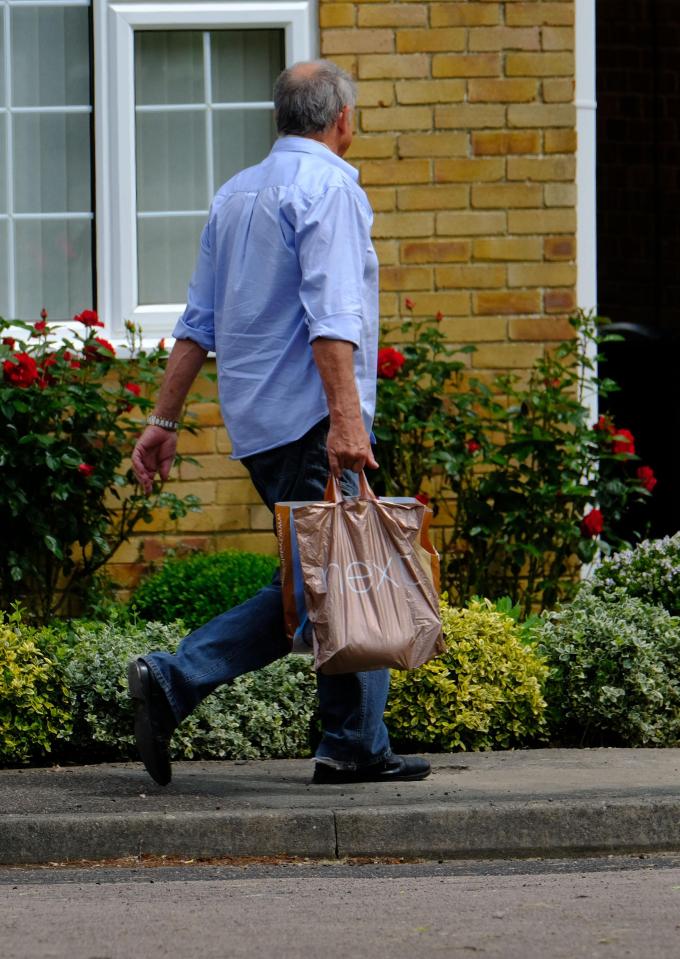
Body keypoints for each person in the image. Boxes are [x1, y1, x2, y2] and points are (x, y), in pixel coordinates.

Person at [127, 59, 430, 787]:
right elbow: (333, 320)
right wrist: (347, 425)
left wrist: (163, 419)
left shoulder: (236, 195)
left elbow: (196, 323)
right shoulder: (329, 188)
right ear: (343, 121)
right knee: (343, 569)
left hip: (259, 424)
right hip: (313, 421)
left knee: (325, 574)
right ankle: (176, 679)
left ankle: (351, 740)